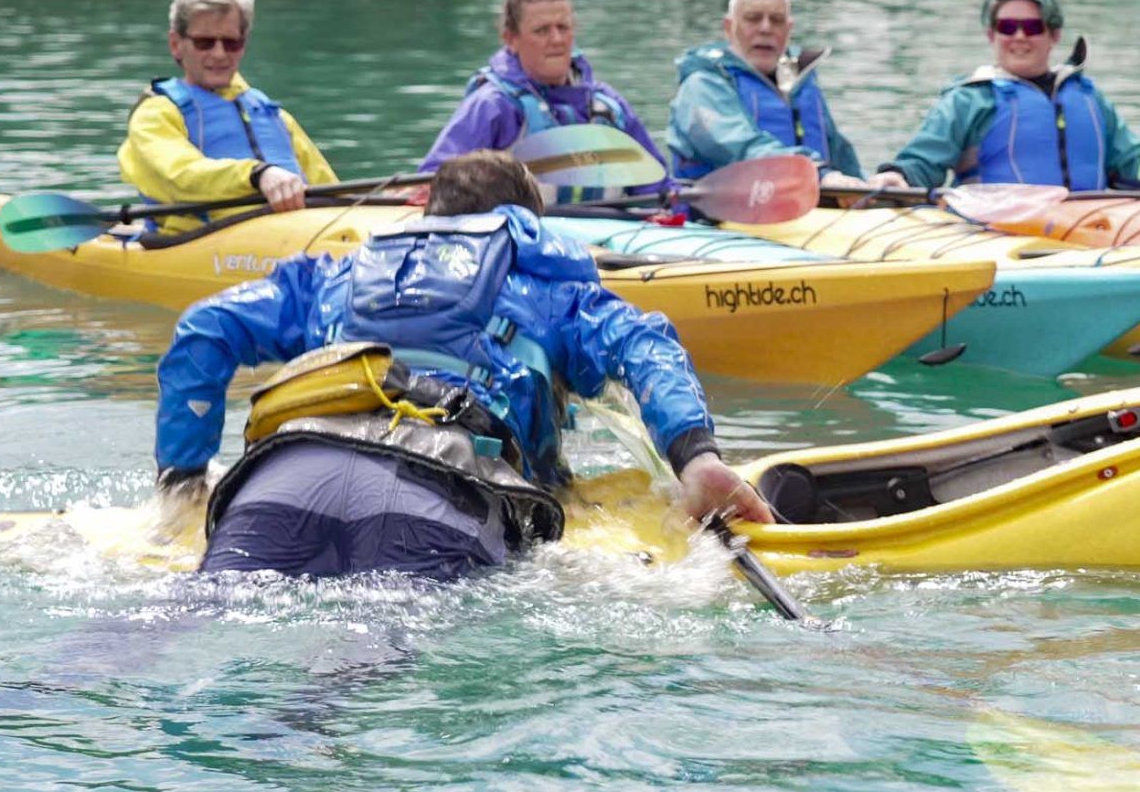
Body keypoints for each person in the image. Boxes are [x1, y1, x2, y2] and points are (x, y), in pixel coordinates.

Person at [152, 150, 772, 579]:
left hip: (282, 477)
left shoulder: (339, 274)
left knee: (178, 617)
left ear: (429, 215)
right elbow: (646, 345)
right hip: (445, 496)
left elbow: (203, 330)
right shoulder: (546, 285)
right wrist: (697, 455)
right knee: (350, 672)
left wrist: (183, 485)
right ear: (527, 223)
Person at [873, 0, 1140, 191]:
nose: (1018, 36)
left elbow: (1137, 165)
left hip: (1090, 230)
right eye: (1007, 27)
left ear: (1054, 35)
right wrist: (899, 175)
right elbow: (922, 160)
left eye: (1031, 27)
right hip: (997, 235)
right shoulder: (969, 100)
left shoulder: (1089, 97)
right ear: (991, 35)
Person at [118, 0, 340, 227]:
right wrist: (258, 175)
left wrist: (377, 200)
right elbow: (181, 176)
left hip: (299, 235)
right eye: (205, 42)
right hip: (202, 246)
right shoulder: (154, 116)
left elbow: (329, 188)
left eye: (231, 43)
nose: (219, 54)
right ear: (176, 44)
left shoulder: (271, 114)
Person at [418, 0, 670, 195]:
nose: (557, 40)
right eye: (542, 31)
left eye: (563, 27)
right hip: (524, 239)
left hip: (611, 239)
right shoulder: (492, 106)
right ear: (511, 39)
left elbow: (657, 188)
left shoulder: (608, 104)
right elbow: (435, 182)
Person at [666, 0, 865, 183]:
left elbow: (840, 155)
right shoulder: (702, 85)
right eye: (753, 18)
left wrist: (870, 186)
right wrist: (815, 172)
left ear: (789, 30)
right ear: (729, 27)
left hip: (814, 202)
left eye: (777, 20)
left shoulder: (801, 81)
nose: (766, 28)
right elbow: (738, 147)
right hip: (725, 210)